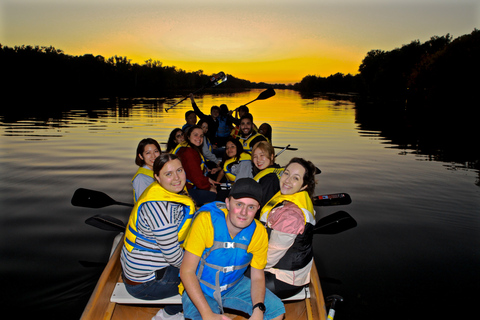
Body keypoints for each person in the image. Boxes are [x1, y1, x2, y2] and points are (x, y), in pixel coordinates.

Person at [180, 178, 286, 320]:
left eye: (251, 207)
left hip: (234, 285)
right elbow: (187, 271)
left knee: (276, 312)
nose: (243, 212)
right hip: (201, 287)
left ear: (257, 209)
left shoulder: (258, 232)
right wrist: (207, 314)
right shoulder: (206, 222)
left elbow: (257, 276)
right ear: (228, 203)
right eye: (239, 204)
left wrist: (258, 308)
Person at [121, 153, 196, 320]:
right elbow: (173, 257)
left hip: (141, 271)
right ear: (157, 177)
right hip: (145, 284)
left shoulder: (158, 192)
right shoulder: (161, 210)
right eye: (168, 174)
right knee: (207, 277)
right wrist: (200, 264)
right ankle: (168, 314)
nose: (177, 178)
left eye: (179, 170)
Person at [258, 157, 317, 300]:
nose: (287, 180)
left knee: (230, 283)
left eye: (295, 178)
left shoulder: (291, 216)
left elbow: (269, 259)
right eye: (286, 173)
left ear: (304, 186)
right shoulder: (291, 199)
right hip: (285, 269)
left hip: (283, 279)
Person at [174, 125, 218, 206]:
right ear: (188, 136)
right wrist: (209, 188)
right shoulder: (189, 153)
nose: (199, 138)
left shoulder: (185, 148)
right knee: (214, 195)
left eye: (201, 136)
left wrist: (207, 179)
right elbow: (197, 179)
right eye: (195, 135)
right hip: (185, 191)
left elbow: (193, 173)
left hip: (183, 187)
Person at [252, 141, 283, 207]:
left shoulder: (269, 178)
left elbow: (265, 204)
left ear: (271, 156)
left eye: (262, 155)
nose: (258, 160)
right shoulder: (277, 170)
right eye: (255, 157)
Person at [132, 138, 161, 202]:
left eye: (156, 151)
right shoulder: (141, 178)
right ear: (141, 156)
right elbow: (144, 203)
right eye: (148, 153)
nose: (153, 156)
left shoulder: (158, 171)